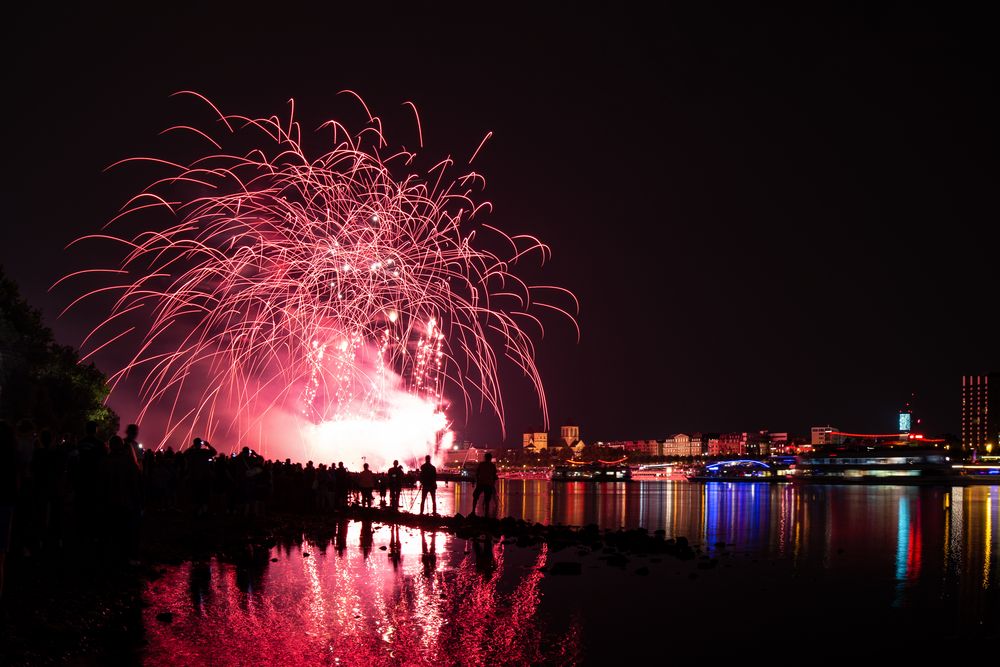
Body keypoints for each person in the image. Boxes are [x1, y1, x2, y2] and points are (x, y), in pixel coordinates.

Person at [470, 452, 498, 518]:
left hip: (481, 483)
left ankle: (473, 511)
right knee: (487, 500)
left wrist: (477, 481)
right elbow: (494, 477)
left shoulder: (481, 465)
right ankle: (486, 514)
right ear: (490, 458)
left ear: (485, 458)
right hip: (488, 485)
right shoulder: (492, 466)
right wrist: (493, 485)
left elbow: (477, 474)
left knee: (475, 497)